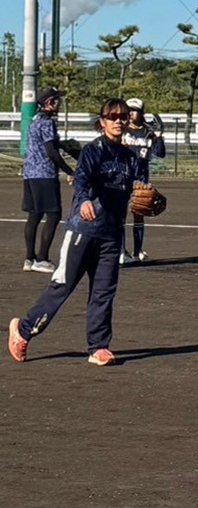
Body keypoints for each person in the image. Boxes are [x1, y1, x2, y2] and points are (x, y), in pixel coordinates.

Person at [8, 98, 140, 367]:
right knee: (62, 286)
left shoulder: (129, 157)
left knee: (104, 291)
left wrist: (144, 195)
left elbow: (137, 186)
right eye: (112, 116)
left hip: (112, 233)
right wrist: (84, 200)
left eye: (122, 116)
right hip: (83, 230)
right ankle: (23, 329)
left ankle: (99, 346)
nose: (118, 121)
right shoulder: (93, 151)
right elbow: (81, 179)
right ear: (102, 122)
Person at [21, 86, 81, 273]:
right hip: (44, 174)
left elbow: (47, 144)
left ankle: (29, 259)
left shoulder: (36, 119)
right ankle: (42, 258)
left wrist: (63, 144)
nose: (59, 103)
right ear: (48, 103)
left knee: (34, 215)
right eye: (56, 100)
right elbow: (51, 152)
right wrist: (69, 171)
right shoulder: (47, 122)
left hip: (30, 173)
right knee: (53, 214)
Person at [120, 97, 166, 263]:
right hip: (123, 176)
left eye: (135, 111)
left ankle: (138, 251)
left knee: (139, 213)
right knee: (121, 215)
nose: (131, 114)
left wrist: (159, 135)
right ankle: (121, 251)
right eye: (129, 110)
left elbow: (160, 153)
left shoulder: (147, 132)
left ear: (141, 113)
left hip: (141, 177)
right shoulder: (122, 130)